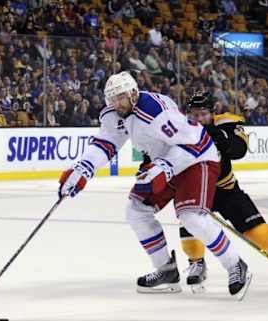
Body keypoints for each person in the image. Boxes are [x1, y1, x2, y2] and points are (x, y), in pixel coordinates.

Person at [58, 72, 251, 298]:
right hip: (163, 161)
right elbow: (105, 143)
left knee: (191, 217)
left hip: (197, 157)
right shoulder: (114, 113)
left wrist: (166, 167)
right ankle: (166, 270)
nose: (115, 103)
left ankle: (235, 265)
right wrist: (82, 169)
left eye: (120, 97)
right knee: (136, 210)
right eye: (111, 98)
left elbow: (195, 141)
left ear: (133, 93)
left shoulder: (155, 111)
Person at [177, 91, 268, 293]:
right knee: (189, 220)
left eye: (202, 114)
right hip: (198, 189)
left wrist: (222, 139)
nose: (198, 119)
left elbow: (240, 150)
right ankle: (196, 262)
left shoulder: (226, 124)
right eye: (194, 114)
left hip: (227, 190)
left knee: (260, 232)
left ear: (213, 112)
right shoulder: (180, 130)